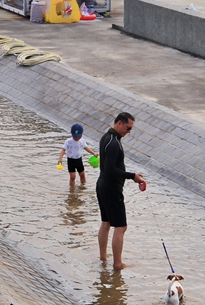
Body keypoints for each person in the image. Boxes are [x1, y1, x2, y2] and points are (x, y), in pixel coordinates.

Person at [96, 112, 146, 270]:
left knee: (106, 222)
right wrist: (133, 176)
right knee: (121, 226)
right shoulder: (113, 143)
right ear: (119, 123)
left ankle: (103, 258)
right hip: (111, 188)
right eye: (128, 128)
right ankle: (117, 264)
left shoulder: (107, 137)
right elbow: (111, 170)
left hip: (102, 185)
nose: (129, 131)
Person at [58, 123, 98, 187]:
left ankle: (83, 186)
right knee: (72, 177)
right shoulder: (68, 141)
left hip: (79, 160)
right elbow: (63, 150)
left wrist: (93, 153)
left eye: (78, 136)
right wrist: (60, 158)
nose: (77, 138)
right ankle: (72, 190)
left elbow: (86, 148)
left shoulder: (82, 141)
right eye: (75, 136)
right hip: (71, 160)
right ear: (71, 133)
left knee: (82, 174)